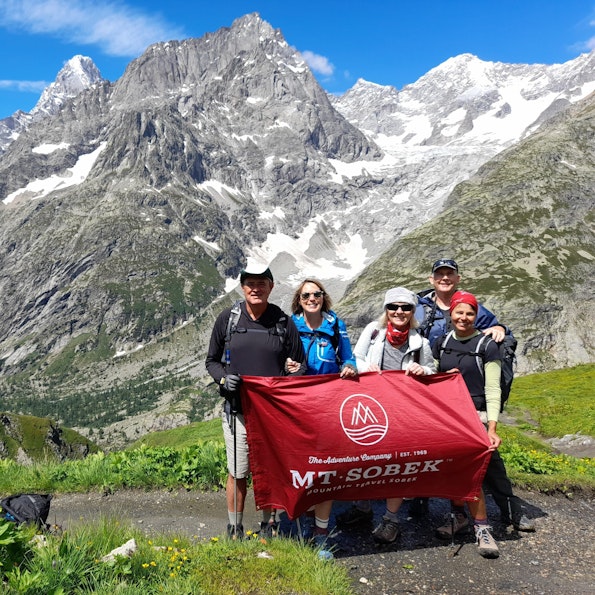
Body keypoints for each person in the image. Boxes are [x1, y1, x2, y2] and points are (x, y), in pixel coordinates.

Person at [416, 258, 535, 532]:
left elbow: (500, 332)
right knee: (438, 454)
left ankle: (510, 511)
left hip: (473, 397)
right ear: (431, 279)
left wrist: (501, 329)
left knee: (488, 457)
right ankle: (427, 504)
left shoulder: (473, 308)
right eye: (439, 274)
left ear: (457, 278)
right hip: (437, 400)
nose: (444, 278)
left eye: (450, 274)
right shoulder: (421, 308)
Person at [205, 265, 306, 540]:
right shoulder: (229, 319)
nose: (255, 288)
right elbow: (212, 361)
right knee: (237, 472)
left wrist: (296, 370)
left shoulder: (283, 322)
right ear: (242, 287)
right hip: (237, 410)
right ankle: (234, 527)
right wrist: (224, 379)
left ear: (271, 287)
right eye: (250, 283)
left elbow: (301, 365)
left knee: (271, 472)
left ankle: (269, 524)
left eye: (262, 283)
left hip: (273, 417)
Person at [336, 287, 436, 544]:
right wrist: (363, 367)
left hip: (403, 413)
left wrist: (421, 369)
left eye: (405, 307)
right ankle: (363, 506)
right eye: (393, 307)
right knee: (365, 458)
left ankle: (391, 519)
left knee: (397, 464)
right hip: (373, 407)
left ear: (413, 311)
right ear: (386, 310)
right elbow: (354, 358)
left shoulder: (420, 342)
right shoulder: (372, 332)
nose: (399, 312)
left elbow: (431, 369)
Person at [432, 290, 503, 558]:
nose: (464, 317)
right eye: (459, 312)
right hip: (449, 417)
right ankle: (460, 518)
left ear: (476, 315)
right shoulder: (441, 342)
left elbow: (493, 388)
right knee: (452, 471)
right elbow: (434, 378)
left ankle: (482, 528)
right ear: (451, 314)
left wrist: (493, 427)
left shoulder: (487, 345)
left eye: (470, 313)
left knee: (474, 475)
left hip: (477, 416)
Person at [289, 278, 357, 547]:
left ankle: (321, 532)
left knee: (326, 470)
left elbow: (348, 356)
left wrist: (350, 366)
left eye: (316, 294)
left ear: (323, 297)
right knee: (302, 468)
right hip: (298, 406)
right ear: (299, 299)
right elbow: (279, 359)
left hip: (328, 406)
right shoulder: (290, 324)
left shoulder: (335, 324)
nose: (311, 298)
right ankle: (304, 515)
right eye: (306, 295)